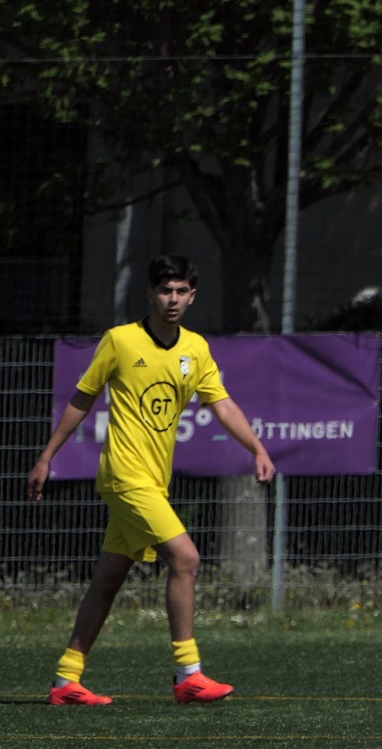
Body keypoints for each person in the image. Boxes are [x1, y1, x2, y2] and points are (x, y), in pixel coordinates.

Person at [27, 254, 276, 706]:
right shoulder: (121, 340)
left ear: (192, 296)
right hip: (124, 476)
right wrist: (47, 457)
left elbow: (222, 404)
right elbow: (82, 398)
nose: (172, 299)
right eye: (165, 291)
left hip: (155, 481)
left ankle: (66, 680)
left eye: (181, 291)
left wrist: (257, 448)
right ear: (150, 294)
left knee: (108, 578)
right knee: (186, 558)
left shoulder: (195, 348)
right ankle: (188, 674)